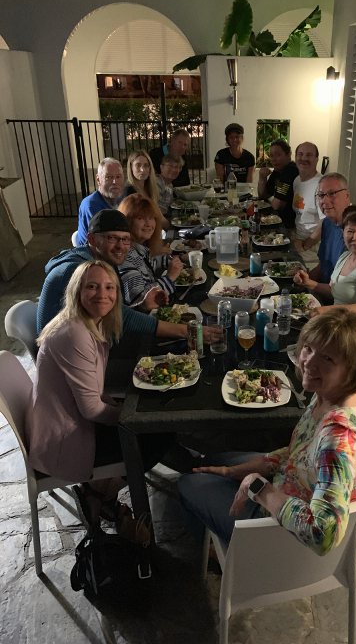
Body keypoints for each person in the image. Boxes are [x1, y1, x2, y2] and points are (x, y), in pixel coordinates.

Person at [178, 309, 356, 556]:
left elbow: (322, 533)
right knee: (214, 463)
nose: (309, 363)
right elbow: (300, 452)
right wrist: (234, 473)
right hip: (293, 484)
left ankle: (229, 557)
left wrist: (259, 488)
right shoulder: (334, 395)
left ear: (353, 371)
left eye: (328, 359)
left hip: (282, 537)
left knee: (187, 483)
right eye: (309, 349)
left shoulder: (339, 439)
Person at [27, 260, 173, 527]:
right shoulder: (74, 334)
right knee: (159, 434)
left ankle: (99, 494)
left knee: (154, 424)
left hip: (67, 424)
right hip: (66, 441)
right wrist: (131, 416)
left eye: (109, 287)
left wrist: (120, 406)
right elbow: (92, 410)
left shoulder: (90, 322)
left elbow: (92, 391)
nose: (102, 294)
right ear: (76, 292)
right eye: (92, 287)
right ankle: (99, 495)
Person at [37, 209, 217, 344]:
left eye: (125, 239)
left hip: (93, 341)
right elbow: (123, 318)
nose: (121, 246)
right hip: (72, 362)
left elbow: (112, 313)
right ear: (91, 239)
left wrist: (142, 306)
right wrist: (186, 331)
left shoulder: (100, 261)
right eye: (112, 238)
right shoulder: (79, 271)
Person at [295, 206, 356, 345]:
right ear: (343, 233)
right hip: (340, 329)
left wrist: (329, 310)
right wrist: (309, 283)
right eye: (350, 231)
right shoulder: (345, 256)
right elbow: (333, 291)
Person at [297, 172, 356, 287]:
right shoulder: (327, 223)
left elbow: (348, 290)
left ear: (347, 195)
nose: (325, 201)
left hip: (340, 299)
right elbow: (322, 268)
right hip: (323, 290)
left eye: (332, 194)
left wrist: (310, 285)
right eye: (321, 195)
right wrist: (300, 281)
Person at [117, 193, 183, 306]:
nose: (148, 224)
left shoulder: (140, 247)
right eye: (141, 218)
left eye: (151, 218)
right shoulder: (126, 254)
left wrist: (179, 259)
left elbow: (152, 262)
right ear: (127, 221)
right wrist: (170, 276)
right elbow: (139, 299)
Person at [291, 142, 324, 269]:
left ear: (316, 159)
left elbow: (325, 221)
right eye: (300, 154)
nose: (303, 158)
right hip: (298, 238)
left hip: (314, 245)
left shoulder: (321, 184)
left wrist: (306, 245)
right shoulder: (297, 180)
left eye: (309, 155)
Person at [76, 158, 125, 246]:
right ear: (98, 179)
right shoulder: (91, 205)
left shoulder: (120, 199)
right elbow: (108, 241)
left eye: (118, 177)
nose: (115, 182)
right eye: (109, 177)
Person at [257, 139, 299, 231]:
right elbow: (263, 195)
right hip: (280, 221)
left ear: (288, 155)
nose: (274, 159)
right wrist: (262, 177)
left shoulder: (290, 170)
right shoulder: (278, 171)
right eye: (271, 156)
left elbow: (277, 205)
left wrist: (273, 199)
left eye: (278, 155)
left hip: (290, 227)